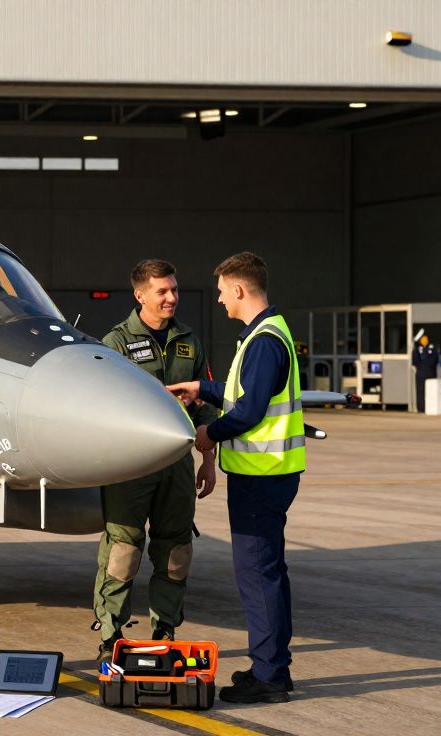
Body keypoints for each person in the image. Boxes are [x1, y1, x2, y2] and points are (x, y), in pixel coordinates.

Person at [167, 252, 305, 704]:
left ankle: (269, 678)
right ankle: (271, 666)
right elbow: (241, 394)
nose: (221, 299)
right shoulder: (267, 333)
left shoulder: (263, 341)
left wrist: (208, 434)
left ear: (240, 289)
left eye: (223, 291)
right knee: (268, 572)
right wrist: (202, 389)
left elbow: (249, 411)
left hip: (261, 476)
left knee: (258, 575)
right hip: (267, 474)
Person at [94, 259, 219, 659]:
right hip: (131, 466)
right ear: (140, 295)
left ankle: (165, 630)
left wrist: (208, 460)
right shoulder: (115, 343)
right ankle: (111, 635)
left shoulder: (189, 340)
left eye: (174, 289)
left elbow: (205, 406)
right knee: (123, 550)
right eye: (162, 291)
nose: (171, 297)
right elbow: (100, 404)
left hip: (177, 465)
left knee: (176, 551)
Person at [411, 332, 440, 412]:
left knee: (424, 392)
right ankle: (425, 407)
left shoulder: (418, 349)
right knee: (426, 392)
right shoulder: (432, 349)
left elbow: (415, 361)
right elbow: (435, 360)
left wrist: (422, 366)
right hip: (428, 373)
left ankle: (423, 408)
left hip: (423, 373)